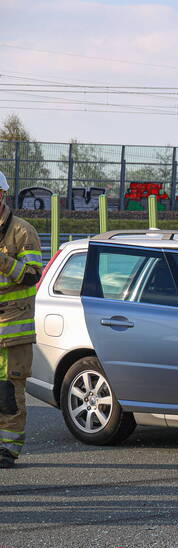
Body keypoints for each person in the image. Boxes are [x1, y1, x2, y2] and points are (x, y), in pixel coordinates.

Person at [0, 171, 43, 468]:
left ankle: (7, 450)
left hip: (12, 329)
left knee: (8, 394)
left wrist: (3, 261)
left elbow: (32, 274)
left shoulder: (22, 231)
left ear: (1, 195)